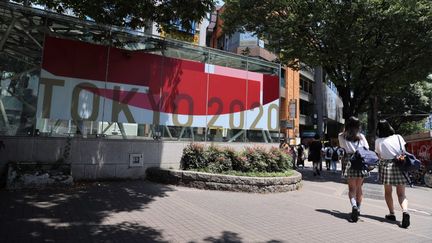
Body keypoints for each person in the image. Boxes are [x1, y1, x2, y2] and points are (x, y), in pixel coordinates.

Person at [375, 119, 410, 228]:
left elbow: (379, 155)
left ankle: (392, 214)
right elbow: (403, 151)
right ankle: (405, 211)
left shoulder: (378, 141)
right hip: (400, 165)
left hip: (386, 167)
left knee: (388, 192)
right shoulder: (398, 137)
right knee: (401, 194)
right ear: (389, 127)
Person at [338, 116, 370, 222]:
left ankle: (354, 206)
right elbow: (367, 148)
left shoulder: (341, 136)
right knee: (359, 187)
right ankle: (359, 208)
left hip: (349, 161)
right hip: (360, 161)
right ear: (358, 126)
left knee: (351, 189)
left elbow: (342, 147)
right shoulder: (361, 136)